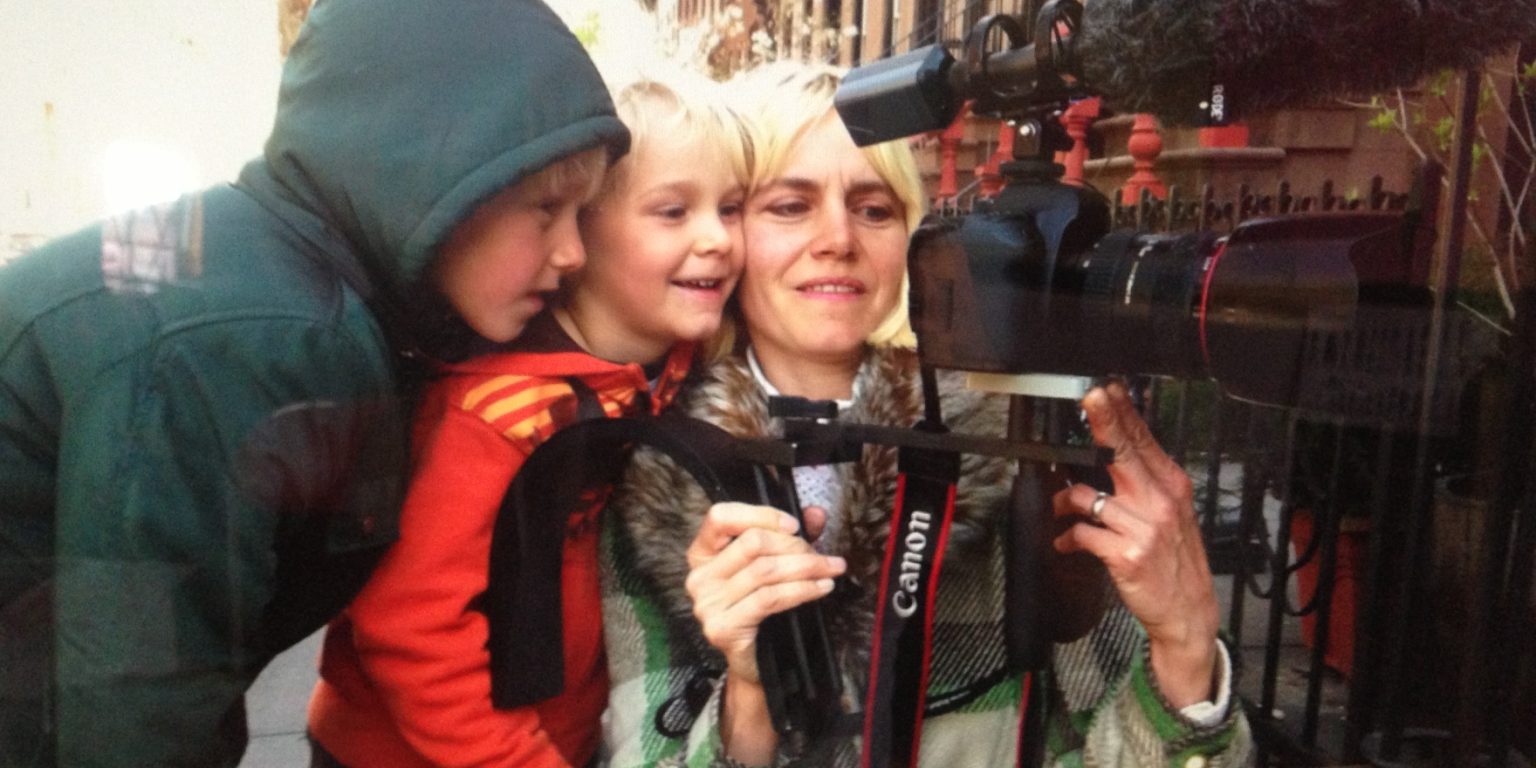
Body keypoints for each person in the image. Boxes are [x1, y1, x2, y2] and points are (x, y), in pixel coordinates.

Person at [0, 1, 631, 765]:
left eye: (582, 215)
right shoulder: (256, 341)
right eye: (546, 209)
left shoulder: (315, 283)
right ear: (427, 176)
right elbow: (141, 692)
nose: (572, 253)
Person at [599, 62, 1253, 767]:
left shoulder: (1016, 445)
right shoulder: (662, 470)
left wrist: (1186, 651)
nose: (839, 238)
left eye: (874, 209)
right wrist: (752, 698)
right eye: (789, 206)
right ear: (729, 233)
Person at [305, 73, 748, 768]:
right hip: (408, 752)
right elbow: (410, 627)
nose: (717, 238)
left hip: (559, 736)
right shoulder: (492, 413)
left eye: (732, 208)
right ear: (579, 236)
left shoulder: (671, 370)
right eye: (673, 212)